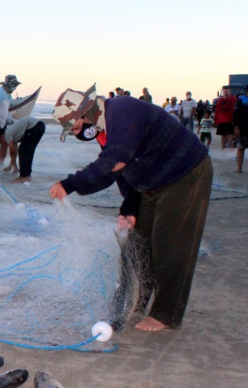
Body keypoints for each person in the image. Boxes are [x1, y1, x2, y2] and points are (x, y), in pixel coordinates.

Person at [50, 84, 212, 333]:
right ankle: (132, 303)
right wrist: (129, 207)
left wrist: (70, 184)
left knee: (170, 245)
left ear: (86, 111)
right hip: (151, 185)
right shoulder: (105, 128)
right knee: (136, 247)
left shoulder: (122, 111)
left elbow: (116, 159)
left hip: (185, 175)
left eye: (75, 126)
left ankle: (166, 314)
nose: (76, 132)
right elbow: (120, 172)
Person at [4, 116, 46, 183]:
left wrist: (12, 165)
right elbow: (14, 152)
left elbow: (12, 151)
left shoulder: (7, 134)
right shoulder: (13, 136)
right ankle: (27, 175)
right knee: (28, 151)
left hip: (34, 126)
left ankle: (23, 177)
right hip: (39, 126)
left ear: (1, 137)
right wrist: (14, 165)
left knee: (23, 151)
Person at [233, 87, 248, 173]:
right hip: (243, 128)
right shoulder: (241, 100)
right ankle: (239, 168)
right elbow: (236, 115)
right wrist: (236, 128)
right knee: (241, 148)